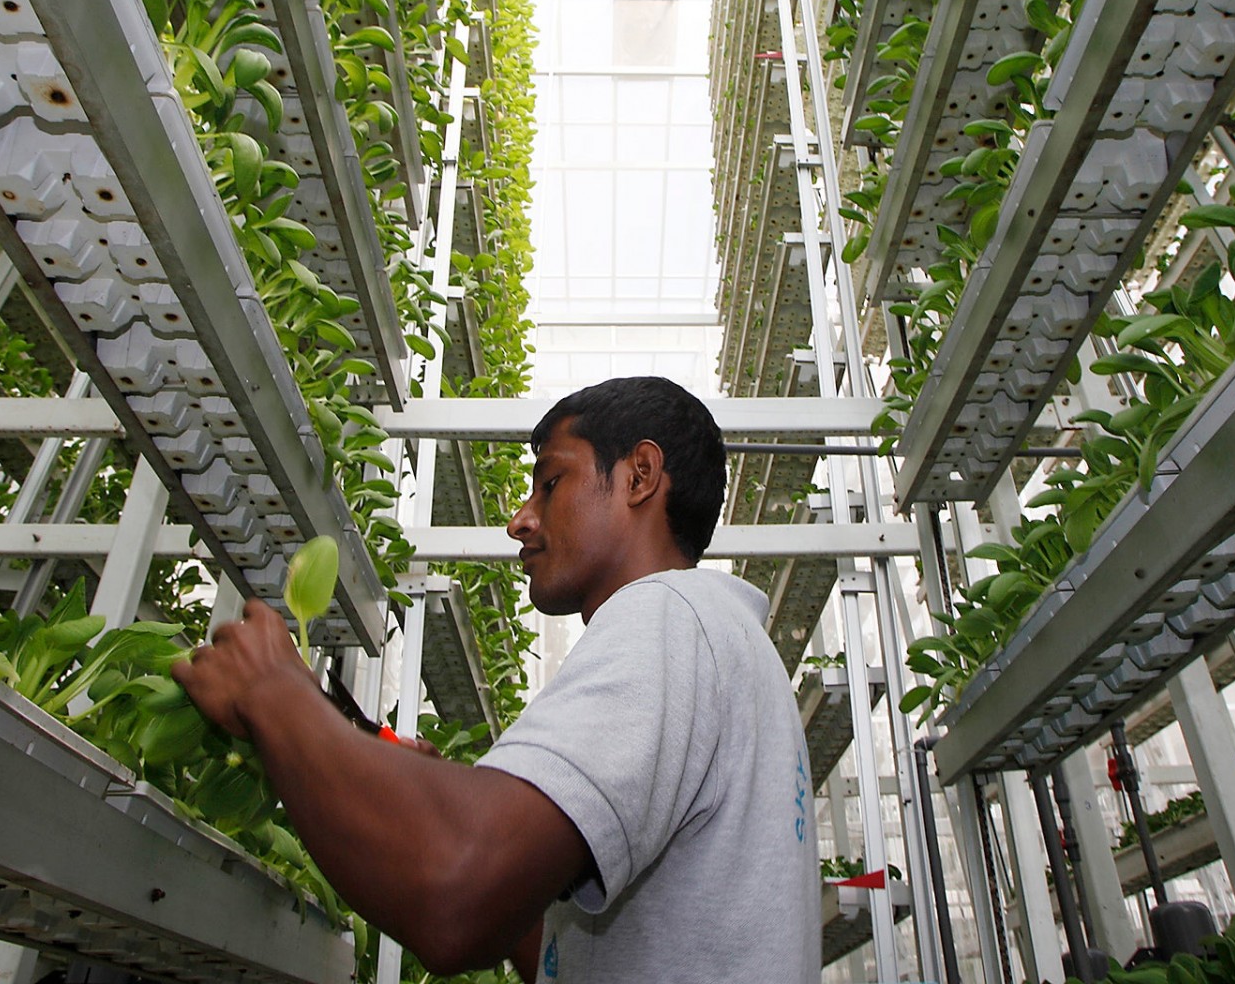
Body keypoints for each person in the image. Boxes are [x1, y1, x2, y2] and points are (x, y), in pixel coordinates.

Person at [172, 376, 821, 982]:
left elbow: (457, 897)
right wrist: (422, 813)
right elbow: (572, 955)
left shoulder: (667, 617)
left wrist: (276, 691)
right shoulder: (729, 645)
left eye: (550, 483)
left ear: (639, 476)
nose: (520, 519)